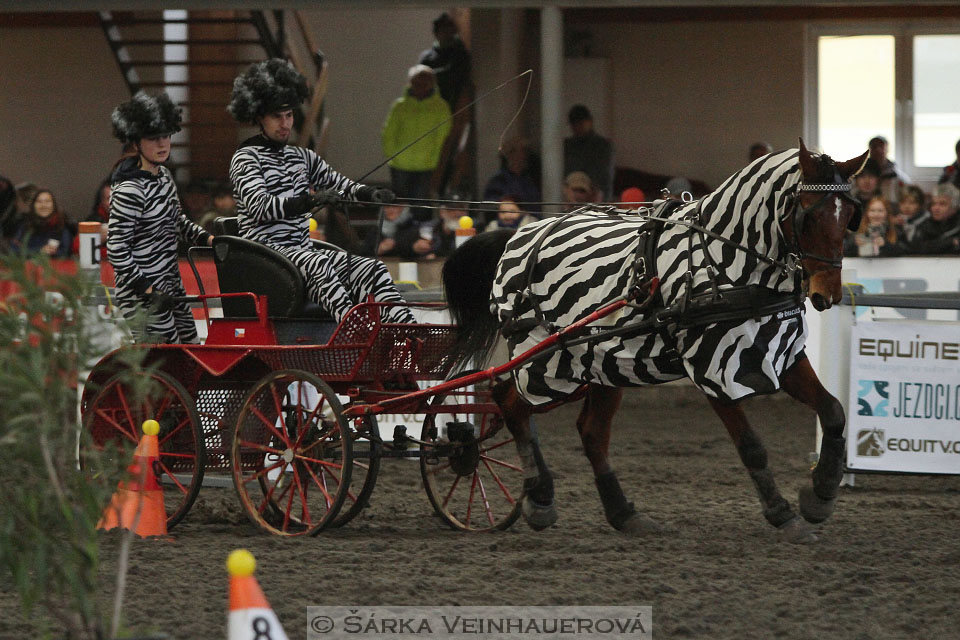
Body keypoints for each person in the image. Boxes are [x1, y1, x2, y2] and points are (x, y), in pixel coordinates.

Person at [228, 58, 415, 324]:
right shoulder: (246, 157)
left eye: (289, 115)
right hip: (265, 256)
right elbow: (260, 206)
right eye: (276, 116)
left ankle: (406, 332)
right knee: (318, 263)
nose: (285, 123)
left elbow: (338, 184)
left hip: (299, 253)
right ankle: (355, 332)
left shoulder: (302, 156)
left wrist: (368, 194)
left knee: (371, 268)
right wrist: (309, 201)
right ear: (259, 117)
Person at [107, 91, 213, 344]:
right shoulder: (129, 189)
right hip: (141, 293)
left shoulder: (164, 176)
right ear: (136, 141)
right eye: (154, 138)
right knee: (168, 358)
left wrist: (210, 240)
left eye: (166, 135)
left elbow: (176, 222)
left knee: (192, 347)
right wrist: (147, 288)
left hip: (170, 283)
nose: (163, 144)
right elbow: (116, 249)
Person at [381, 64, 452, 206]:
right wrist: (393, 154)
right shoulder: (400, 106)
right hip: (400, 164)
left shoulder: (441, 106)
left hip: (427, 166)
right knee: (400, 205)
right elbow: (389, 132)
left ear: (432, 84)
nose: (420, 86)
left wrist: (435, 159)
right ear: (410, 82)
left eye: (425, 82)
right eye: (417, 82)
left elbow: (443, 136)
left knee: (421, 205)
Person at [418, 12, 472, 112]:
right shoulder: (427, 57)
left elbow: (455, 76)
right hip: (431, 108)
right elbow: (420, 80)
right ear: (437, 33)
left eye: (449, 31)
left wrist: (432, 76)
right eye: (443, 31)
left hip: (456, 107)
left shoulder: (460, 54)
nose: (446, 34)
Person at [481, 136, 541, 219]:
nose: (525, 157)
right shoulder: (498, 182)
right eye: (522, 151)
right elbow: (489, 208)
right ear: (511, 155)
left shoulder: (531, 180)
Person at [563, 104, 614, 201]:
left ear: (589, 122)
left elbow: (603, 176)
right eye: (574, 124)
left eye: (580, 123)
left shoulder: (602, 145)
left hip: (594, 193)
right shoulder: (567, 146)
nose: (577, 127)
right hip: (571, 191)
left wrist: (590, 190)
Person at [12, 189, 73, 258]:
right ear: (33, 206)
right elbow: (13, 250)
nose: (43, 205)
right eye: (39, 202)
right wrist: (39, 251)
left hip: (53, 267)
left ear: (54, 205)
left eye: (47, 201)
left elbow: (66, 253)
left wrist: (52, 252)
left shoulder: (61, 226)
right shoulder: (25, 226)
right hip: (28, 266)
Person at [908, 182, 960, 255]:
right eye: (933, 204)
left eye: (942, 204)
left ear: (955, 208)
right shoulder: (924, 225)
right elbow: (916, 248)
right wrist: (951, 242)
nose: (935, 208)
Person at [417, 190, 471, 259]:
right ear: (442, 212)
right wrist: (418, 248)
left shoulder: (476, 228)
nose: (458, 213)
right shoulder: (430, 228)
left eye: (462, 208)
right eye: (452, 208)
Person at [867, 136, 910, 203]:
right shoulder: (861, 172)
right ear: (869, 149)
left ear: (887, 149)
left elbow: (908, 188)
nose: (878, 150)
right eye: (874, 146)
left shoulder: (896, 174)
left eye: (881, 146)